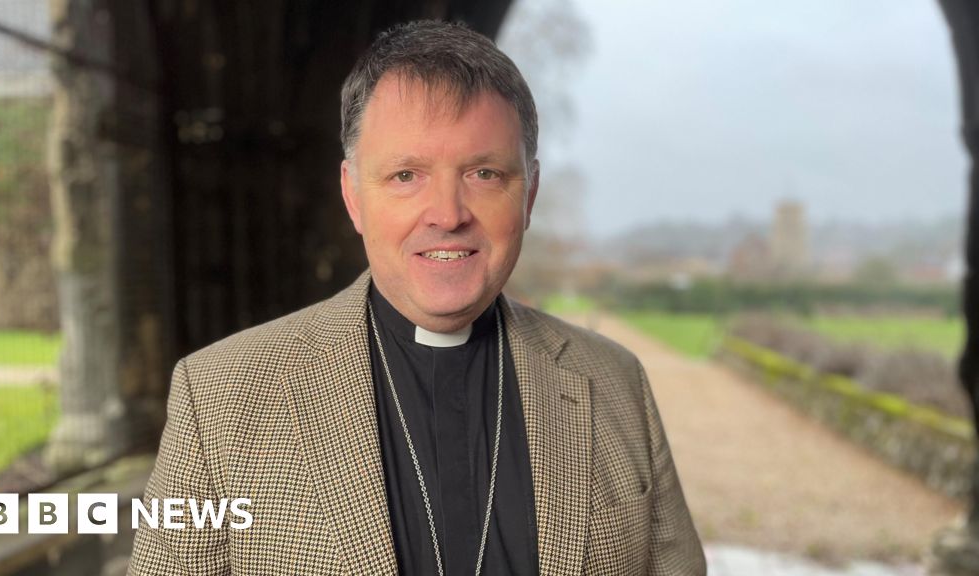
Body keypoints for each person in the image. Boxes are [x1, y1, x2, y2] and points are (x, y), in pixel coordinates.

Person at [128, 20, 705, 576]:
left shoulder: (616, 383)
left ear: (528, 194)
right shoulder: (218, 397)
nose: (448, 215)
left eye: (484, 174)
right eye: (406, 175)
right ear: (353, 196)